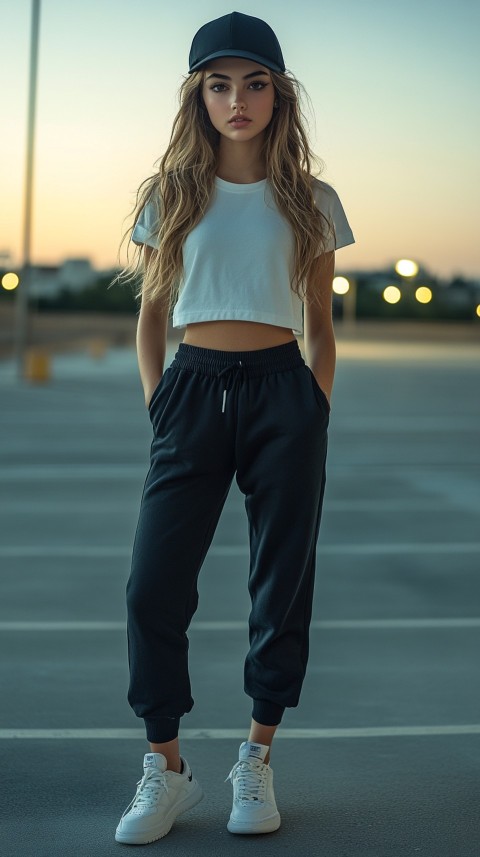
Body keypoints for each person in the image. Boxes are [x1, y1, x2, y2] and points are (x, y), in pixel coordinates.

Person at [115, 10, 354, 846]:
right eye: (220, 85)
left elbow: (321, 320)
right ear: (199, 97)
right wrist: (161, 405)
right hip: (192, 388)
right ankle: (166, 768)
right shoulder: (171, 194)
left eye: (254, 84)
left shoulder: (311, 199)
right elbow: (151, 320)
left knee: (280, 584)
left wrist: (315, 404)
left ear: (277, 94)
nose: (237, 100)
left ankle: (256, 757)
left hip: (285, 391)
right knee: (153, 585)